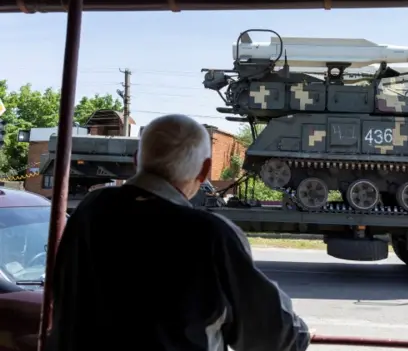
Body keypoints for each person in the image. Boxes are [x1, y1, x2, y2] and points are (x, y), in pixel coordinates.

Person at [46, 114, 311, 351]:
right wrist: (300, 334)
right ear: (205, 170)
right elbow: (273, 336)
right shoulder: (209, 235)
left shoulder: (89, 211)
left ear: (137, 159)